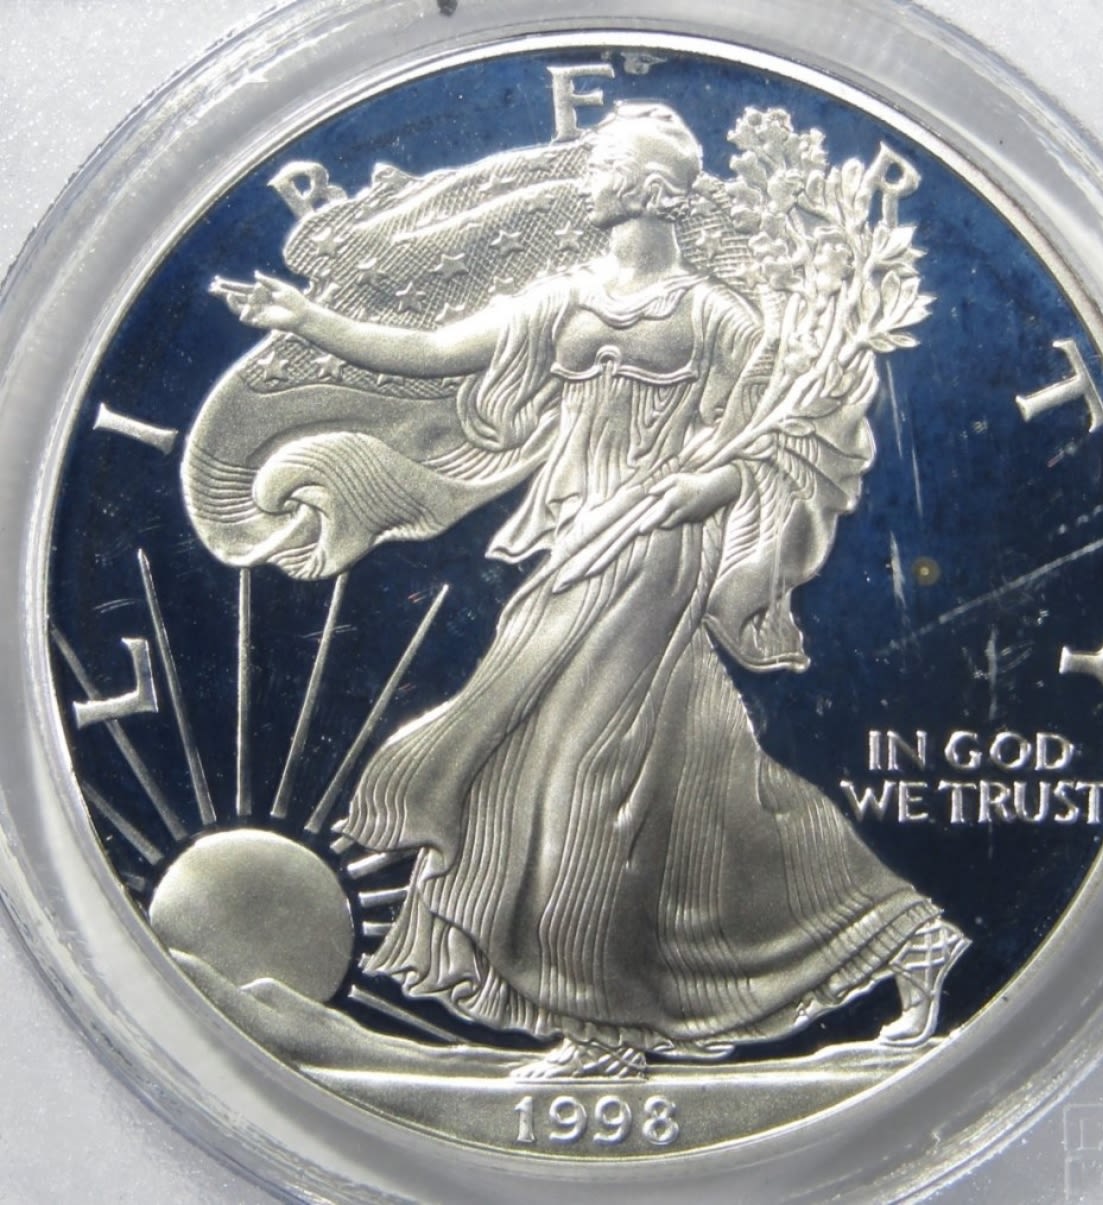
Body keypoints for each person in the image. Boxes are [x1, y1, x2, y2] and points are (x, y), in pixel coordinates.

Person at [214, 102, 967, 1079]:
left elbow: (784, 440)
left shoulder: (715, 316)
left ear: (651, 190)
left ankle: (605, 1028)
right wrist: (307, 320)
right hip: (579, 540)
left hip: (657, 548)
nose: (590, 179)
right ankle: (904, 937)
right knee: (699, 775)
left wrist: (707, 486)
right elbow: (437, 354)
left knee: (579, 765)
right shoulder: (562, 298)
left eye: (607, 165)